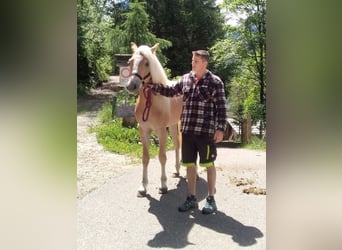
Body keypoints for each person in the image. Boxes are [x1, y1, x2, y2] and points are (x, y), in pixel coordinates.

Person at [151, 50, 227, 214]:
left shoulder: (215, 82)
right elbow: (172, 91)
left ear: (205, 63)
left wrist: (220, 129)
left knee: (208, 165)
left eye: (196, 61)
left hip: (206, 132)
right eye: (192, 60)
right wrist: (155, 88)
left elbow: (221, 107)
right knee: (190, 166)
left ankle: (211, 199)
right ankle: (191, 198)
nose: (192, 63)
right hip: (187, 130)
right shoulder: (186, 79)